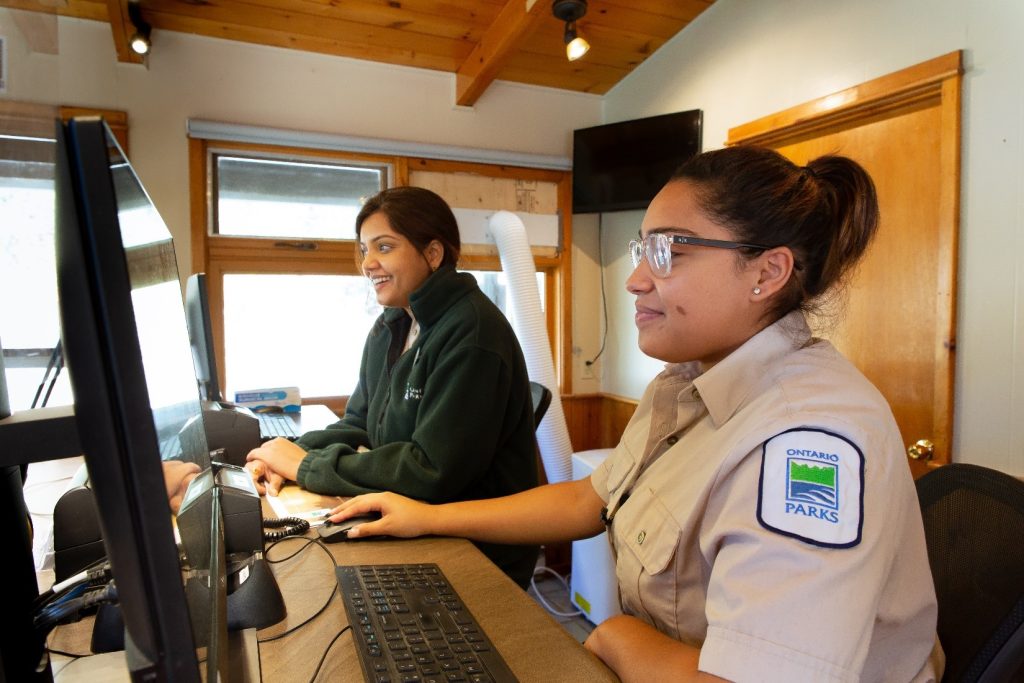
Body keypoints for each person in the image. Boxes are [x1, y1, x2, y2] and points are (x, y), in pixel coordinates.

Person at [323, 147, 944, 682]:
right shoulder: (684, 383)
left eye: (668, 251)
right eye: (640, 249)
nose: (636, 279)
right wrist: (425, 516)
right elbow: (588, 500)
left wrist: (615, 636)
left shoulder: (810, 437)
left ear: (767, 272)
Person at [245, 186, 539, 588]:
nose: (368, 263)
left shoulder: (473, 335)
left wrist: (306, 467)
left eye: (384, 247)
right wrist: (285, 454)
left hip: (475, 552)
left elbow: (431, 471)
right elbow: (361, 421)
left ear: (433, 254)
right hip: (415, 525)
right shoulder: (392, 325)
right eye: (364, 249)